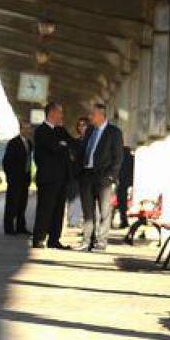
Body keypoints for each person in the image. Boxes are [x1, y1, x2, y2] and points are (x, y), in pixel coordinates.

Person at [74, 103, 124, 252]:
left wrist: (111, 176)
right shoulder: (89, 131)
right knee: (88, 212)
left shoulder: (114, 132)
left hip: (103, 178)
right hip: (87, 175)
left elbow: (118, 157)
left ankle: (101, 242)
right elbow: (82, 151)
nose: (90, 117)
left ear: (101, 115)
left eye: (93, 115)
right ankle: (87, 241)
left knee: (104, 211)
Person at [33, 102, 76, 249]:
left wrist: (63, 144)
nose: (62, 115)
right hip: (48, 178)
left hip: (61, 177)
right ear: (52, 113)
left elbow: (71, 143)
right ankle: (38, 238)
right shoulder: (41, 131)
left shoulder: (60, 130)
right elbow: (52, 147)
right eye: (60, 112)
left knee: (58, 211)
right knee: (45, 209)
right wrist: (61, 145)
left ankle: (54, 240)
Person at [2, 121, 34, 235]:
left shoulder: (29, 144)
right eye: (25, 128)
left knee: (22, 203)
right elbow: (6, 161)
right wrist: (10, 176)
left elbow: (29, 161)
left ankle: (21, 226)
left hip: (25, 179)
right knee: (12, 204)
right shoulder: (13, 143)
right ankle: (9, 227)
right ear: (20, 129)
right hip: (15, 179)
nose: (27, 131)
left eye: (29, 128)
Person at [64, 116, 88, 228]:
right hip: (75, 175)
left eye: (84, 125)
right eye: (80, 125)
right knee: (74, 197)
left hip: (88, 175)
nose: (81, 127)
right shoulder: (75, 142)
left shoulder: (92, 142)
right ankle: (73, 220)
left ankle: (87, 221)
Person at [116, 146, 134, 229]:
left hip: (122, 184)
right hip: (127, 183)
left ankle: (123, 220)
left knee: (122, 204)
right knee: (123, 204)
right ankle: (124, 221)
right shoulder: (131, 159)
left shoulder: (120, 159)